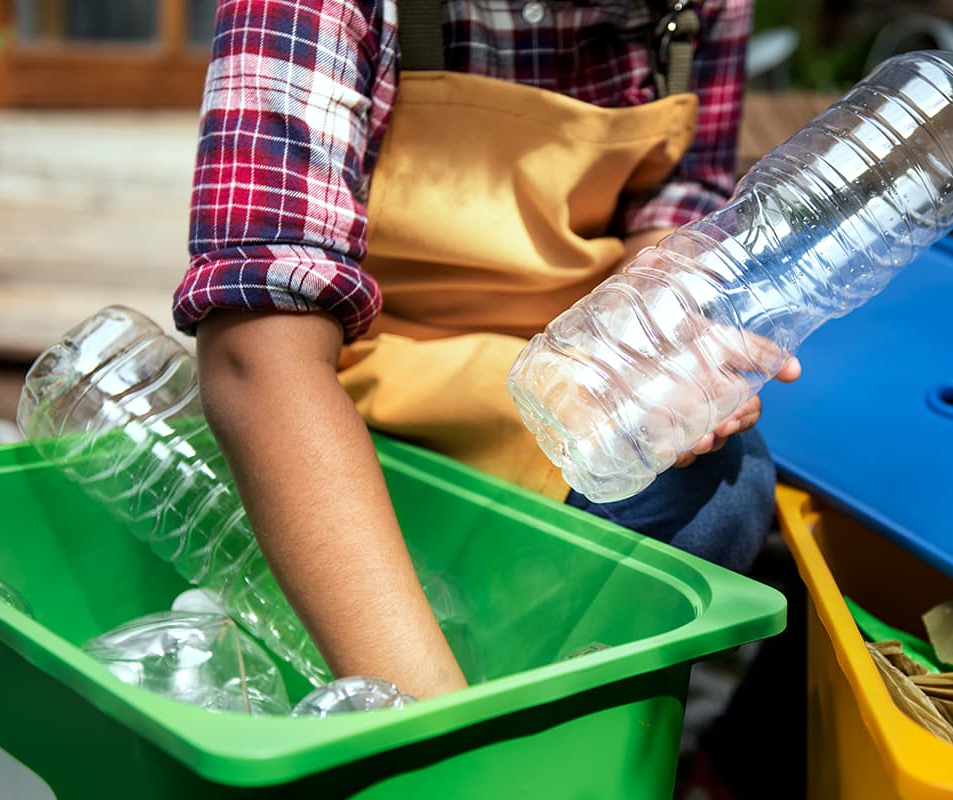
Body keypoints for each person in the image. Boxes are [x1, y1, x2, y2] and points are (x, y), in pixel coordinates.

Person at [173, 0, 800, 701]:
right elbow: (255, 353)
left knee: (720, 486)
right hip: (352, 390)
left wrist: (656, 341)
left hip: (557, 377)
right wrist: (430, 723)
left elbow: (678, 205)